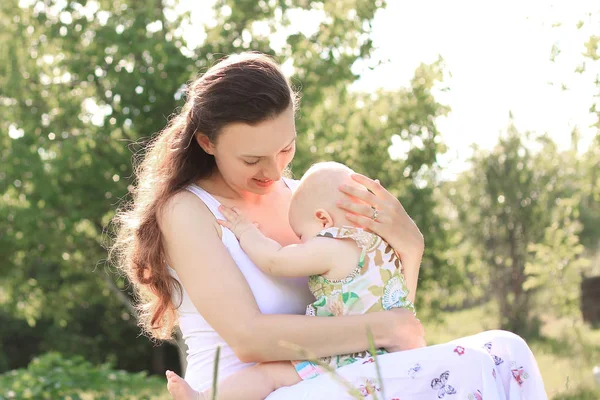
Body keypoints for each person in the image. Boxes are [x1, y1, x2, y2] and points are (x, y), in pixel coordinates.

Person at [112, 52, 548, 399]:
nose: (272, 170)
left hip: (340, 378)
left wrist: (409, 250)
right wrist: (388, 328)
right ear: (207, 143)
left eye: (286, 148)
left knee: (505, 349)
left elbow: (381, 314)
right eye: (251, 159)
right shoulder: (189, 210)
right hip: (255, 390)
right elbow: (250, 339)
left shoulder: (311, 199)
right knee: (464, 367)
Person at [166, 161, 417, 400]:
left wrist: (246, 231)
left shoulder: (332, 244)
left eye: (301, 234)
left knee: (269, 374)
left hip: (347, 355)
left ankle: (202, 397)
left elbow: (275, 260)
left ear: (323, 220)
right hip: (384, 359)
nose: (302, 242)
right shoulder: (384, 249)